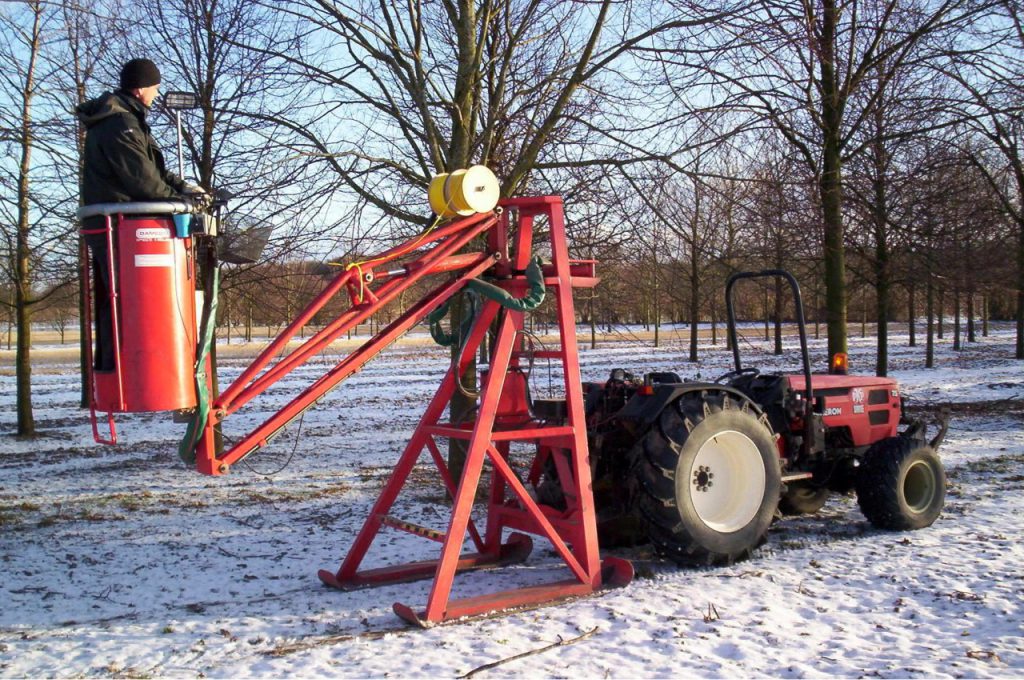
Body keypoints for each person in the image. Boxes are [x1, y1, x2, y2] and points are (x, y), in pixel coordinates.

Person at [77, 58, 194, 371]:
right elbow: (143, 182)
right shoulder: (121, 124)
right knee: (126, 296)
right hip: (119, 227)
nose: (156, 94)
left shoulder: (124, 119)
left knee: (120, 294)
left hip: (118, 223)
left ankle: (124, 365)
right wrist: (180, 202)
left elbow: (155, 172)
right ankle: (128, 368)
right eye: (155, 88)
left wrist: (188, 189)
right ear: (141, 89)